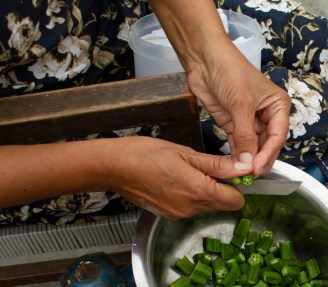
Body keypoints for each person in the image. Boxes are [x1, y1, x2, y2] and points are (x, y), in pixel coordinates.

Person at [0, 0, 292, 221]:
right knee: (222, 153)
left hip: (116, 21)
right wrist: (109, 167)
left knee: (295, 50)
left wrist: (210, 51)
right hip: (35, 143)